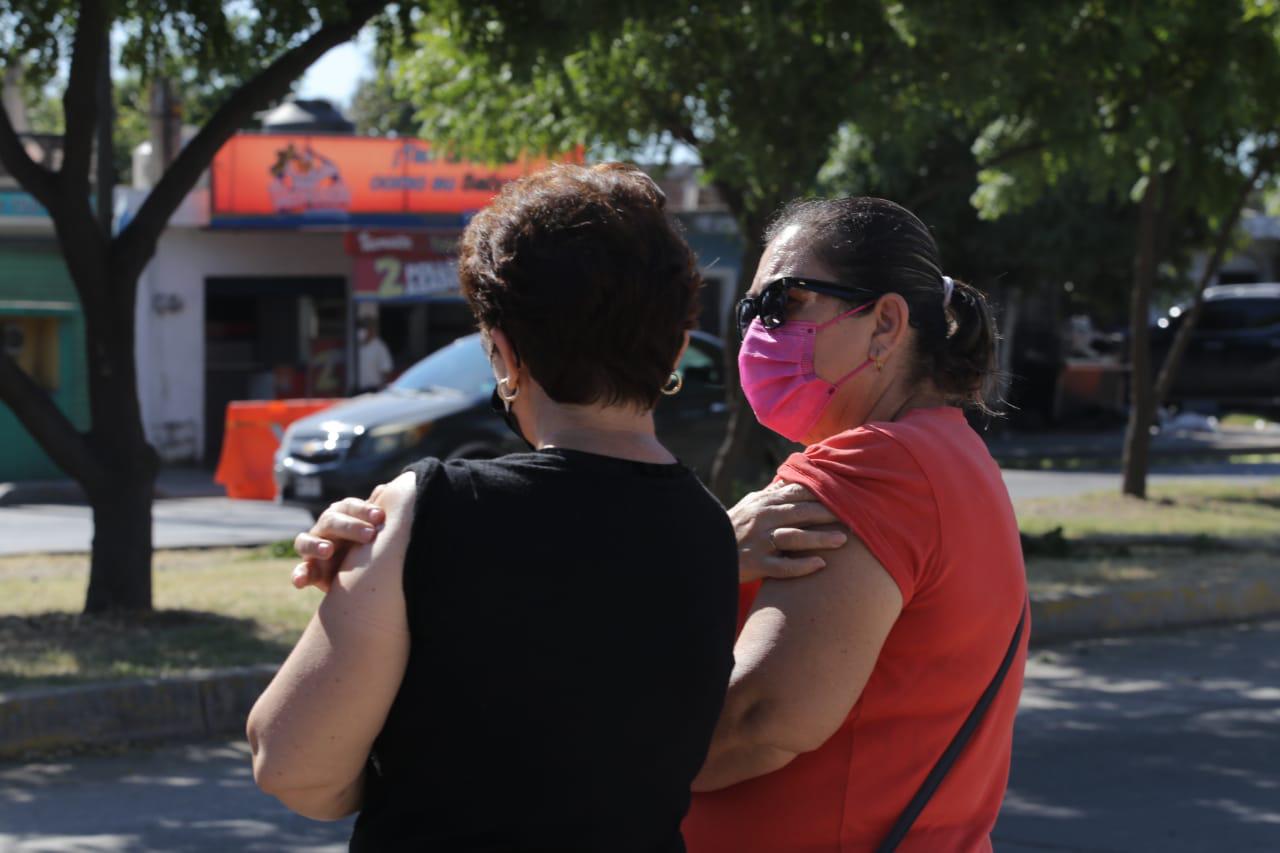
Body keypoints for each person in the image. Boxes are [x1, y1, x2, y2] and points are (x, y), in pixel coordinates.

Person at [296, 196, 1028, 852]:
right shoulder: (949, 453)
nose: (756, 333)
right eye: (747, 313)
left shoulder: (872, 466)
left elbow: (756, 718)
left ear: (886, 323)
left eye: (780, 303)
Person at [247, 162, 742, 852]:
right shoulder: (713, 532)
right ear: (678, 347)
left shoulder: (433, 509)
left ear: (505, 355)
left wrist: (368, 595)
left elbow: (290, 765)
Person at [355, 316, 394, 393]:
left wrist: (382, 390)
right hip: (356, 390)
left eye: (366, 327)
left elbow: (386, 370)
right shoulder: (354, 347)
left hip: (373, 389)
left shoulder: (380, 347)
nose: (362, 331)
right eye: (362, 327)